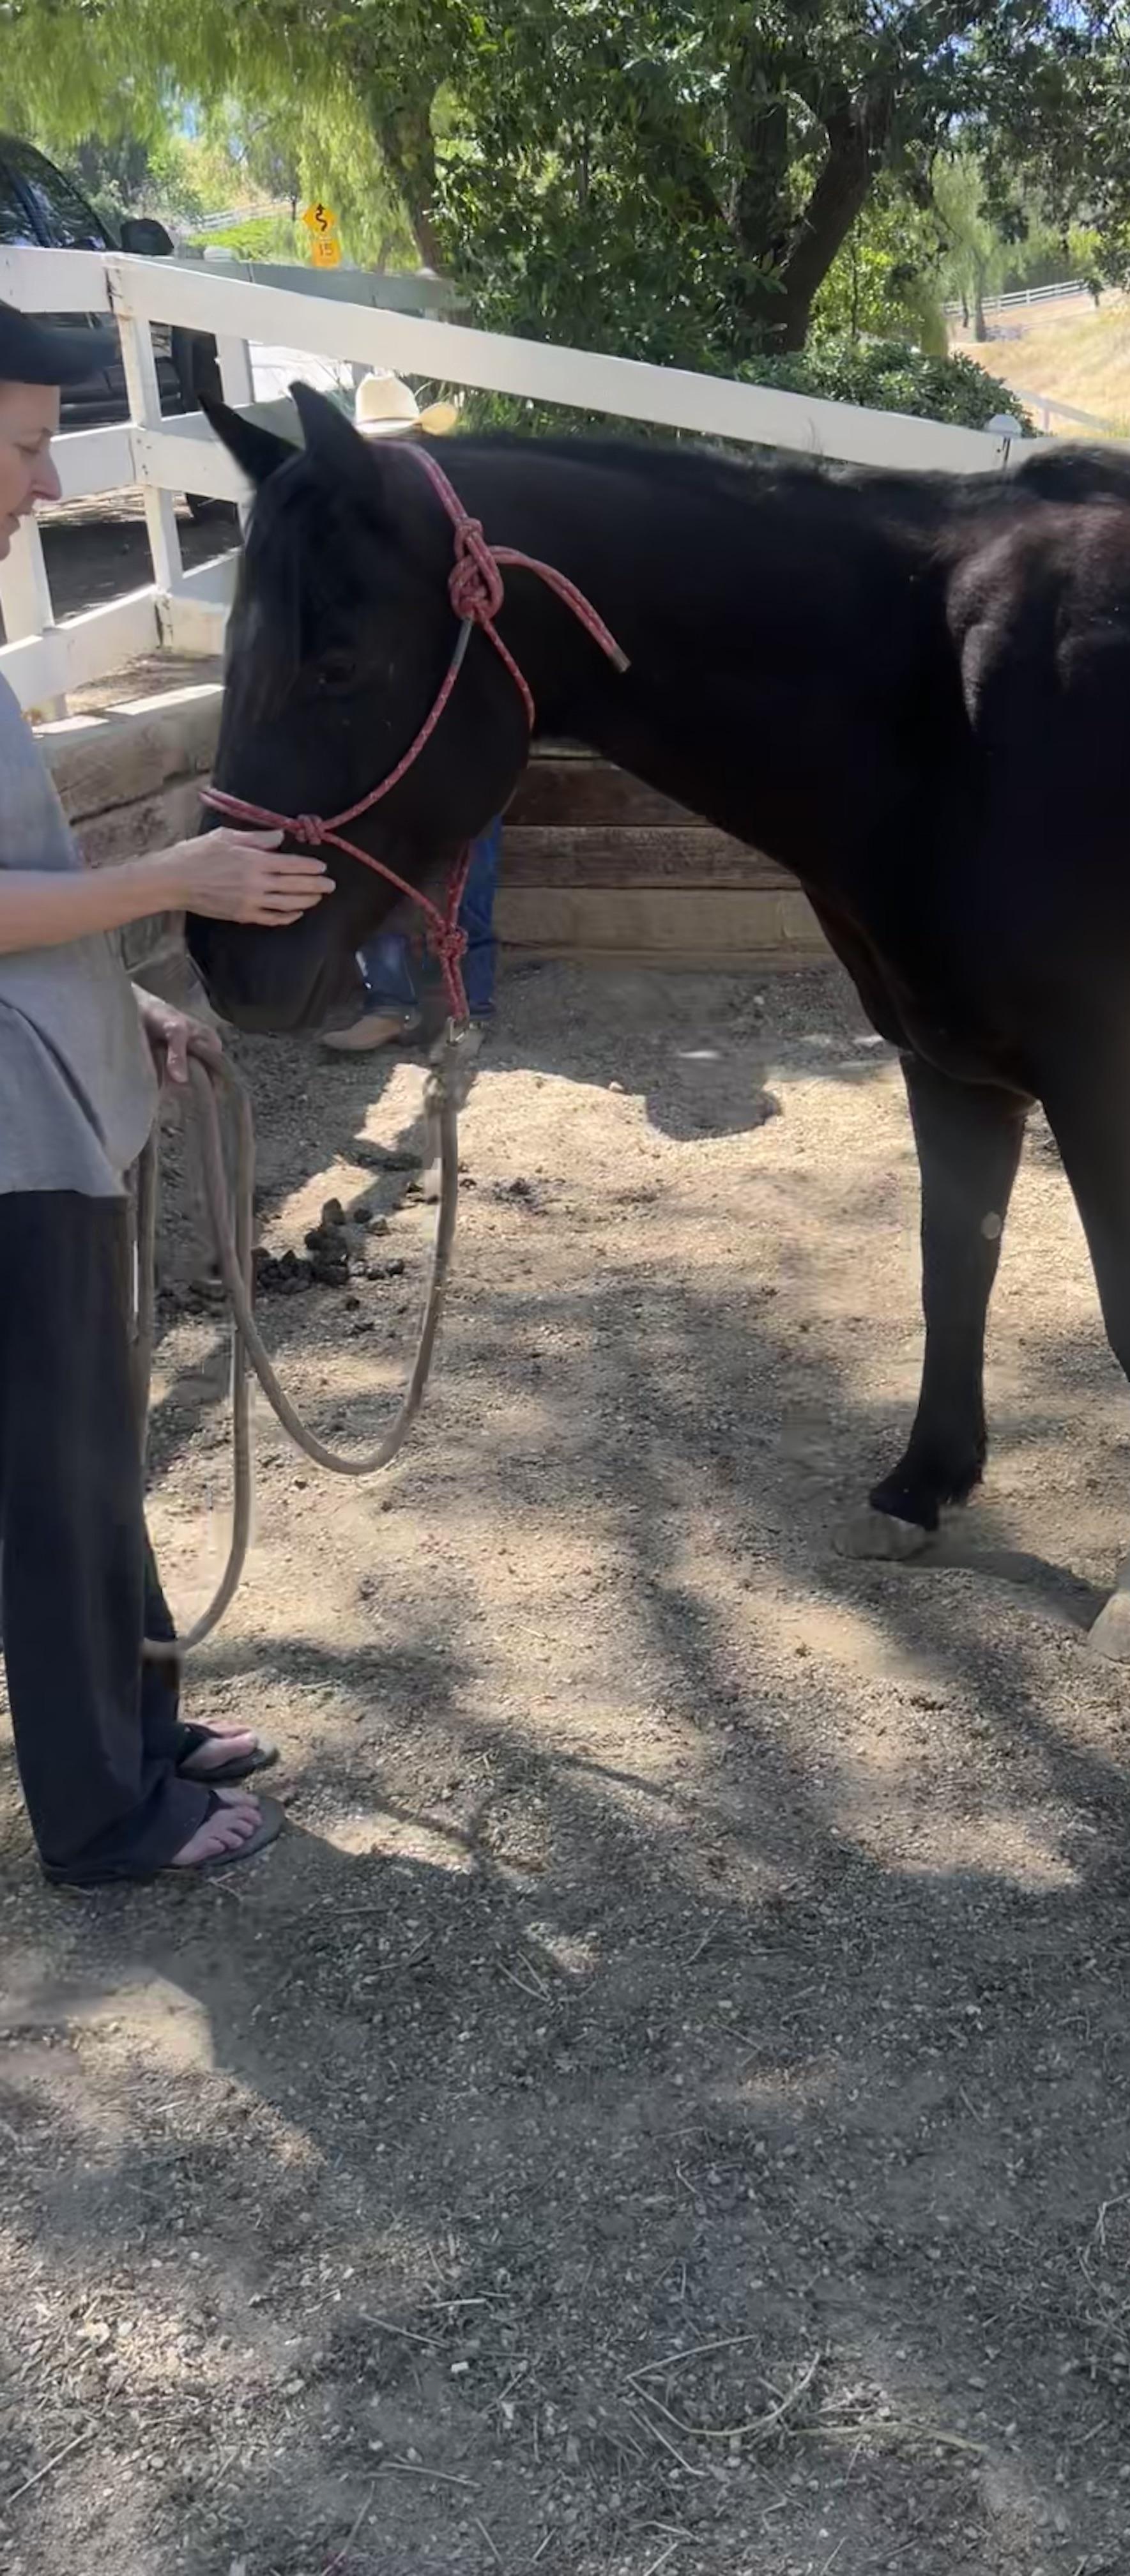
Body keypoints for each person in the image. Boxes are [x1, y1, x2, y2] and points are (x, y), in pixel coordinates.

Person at [0, 300, 335, 1884]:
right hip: (9, 1140)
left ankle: (142, 1732)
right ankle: (102, 1816)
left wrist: (117, 992)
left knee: (91, 1444)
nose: (47, 485)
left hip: (48, 1096)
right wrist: (178, 874)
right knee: (54, 1476)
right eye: (17, 446)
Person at [322, 372, 503, 1053]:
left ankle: (465, 1006)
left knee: (469, 867)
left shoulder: (463, 521)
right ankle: (394, 1001)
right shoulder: (346, 534)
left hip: (462, 723)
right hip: (383, 729)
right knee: (374, 858)